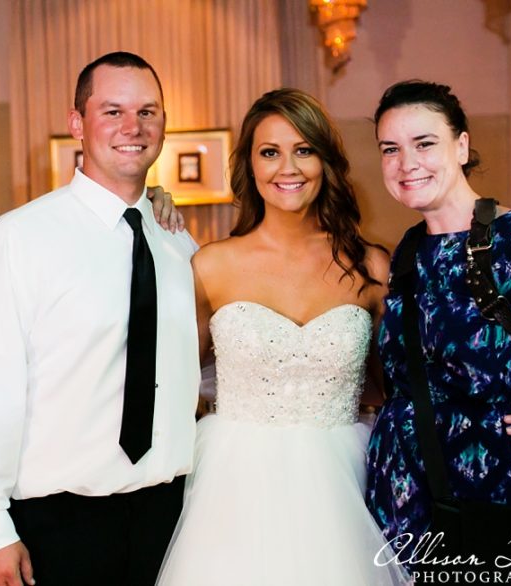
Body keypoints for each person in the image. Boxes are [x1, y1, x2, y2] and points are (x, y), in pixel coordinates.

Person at [0, 51, 199, 586]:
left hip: (170, 518)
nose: (133, 127)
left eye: (148, 112)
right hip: (61, 524)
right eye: (112, 111)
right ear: (77, 124)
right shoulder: (20, 238)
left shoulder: (180, 244)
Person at [156, 88, 409, 585]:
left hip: (342, 481)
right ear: (249, 165)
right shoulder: (211, 266)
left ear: (325, 162)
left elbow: (394, 387)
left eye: (304, 150)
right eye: (270, 152)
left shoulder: (371, 266)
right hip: (233, 487)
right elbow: (175, 385)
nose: (287, 168)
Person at [364, 80, 511, 574]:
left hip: (505, 507)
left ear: (462, 146)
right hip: (410, 509)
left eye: (424, 143)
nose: (406, 163)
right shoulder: (406, 253)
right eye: (391, 149)